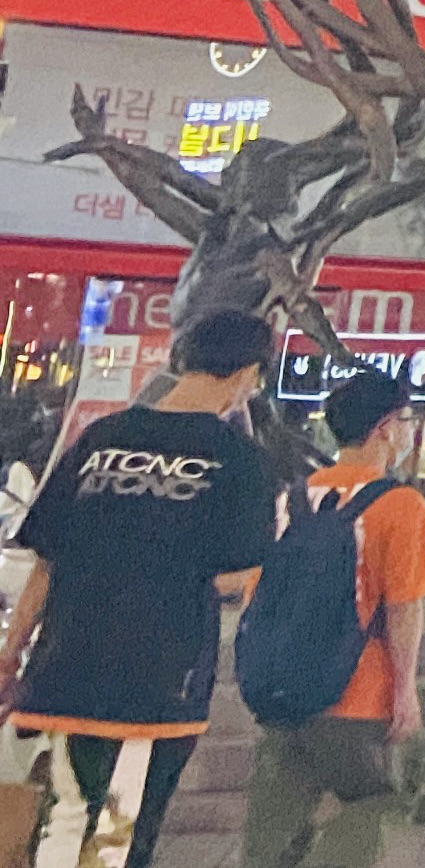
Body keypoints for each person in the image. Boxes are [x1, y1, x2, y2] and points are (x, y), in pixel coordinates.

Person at [0, 309, 280, 868]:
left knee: (65, 823)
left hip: (66, 674)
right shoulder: (241, 461)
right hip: (157, 684)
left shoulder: (104, 436)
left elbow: (47, 562)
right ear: (246, 373)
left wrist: (11, 660)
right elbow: (237, 575)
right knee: (117, 837)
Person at [241, 371, 425, 868]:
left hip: (283, 691)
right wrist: (405, 690)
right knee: (374, 802)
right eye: (408, 420)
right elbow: (403, 606)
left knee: (272, 831)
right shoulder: (401, 504)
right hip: (358, 696)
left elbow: (255, 596)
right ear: (386, 428)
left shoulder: (291, 497)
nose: (410, 432)